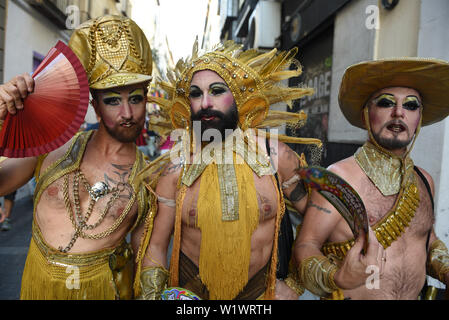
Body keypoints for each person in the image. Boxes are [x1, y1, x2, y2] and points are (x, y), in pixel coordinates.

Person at [134, 41, 322, 300]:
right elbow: (155, 245)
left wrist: (294, 284)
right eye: (196, 94)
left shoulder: (275, 155)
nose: (205, 103)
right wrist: (152, 296)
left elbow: (320, 221)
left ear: (239, 96)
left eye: (217, 91)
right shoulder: (177, 166)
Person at [0, 15, 155, 299]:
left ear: (147, 99)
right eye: (112, 100)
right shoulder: (52, 149)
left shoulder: (151, 179)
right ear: (95, 106)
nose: (127, 114)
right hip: (37, 286)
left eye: (135, 98)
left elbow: (147, 258)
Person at [294, 58, 449, 300]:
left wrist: (446, 268)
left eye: (411, 106)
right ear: (367, 114)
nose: (399, 113)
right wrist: (336, 278)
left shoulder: (424, 180)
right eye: (386, 103)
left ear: (419, 117)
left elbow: (428, 242)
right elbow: (306, 246)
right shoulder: (338, 179)